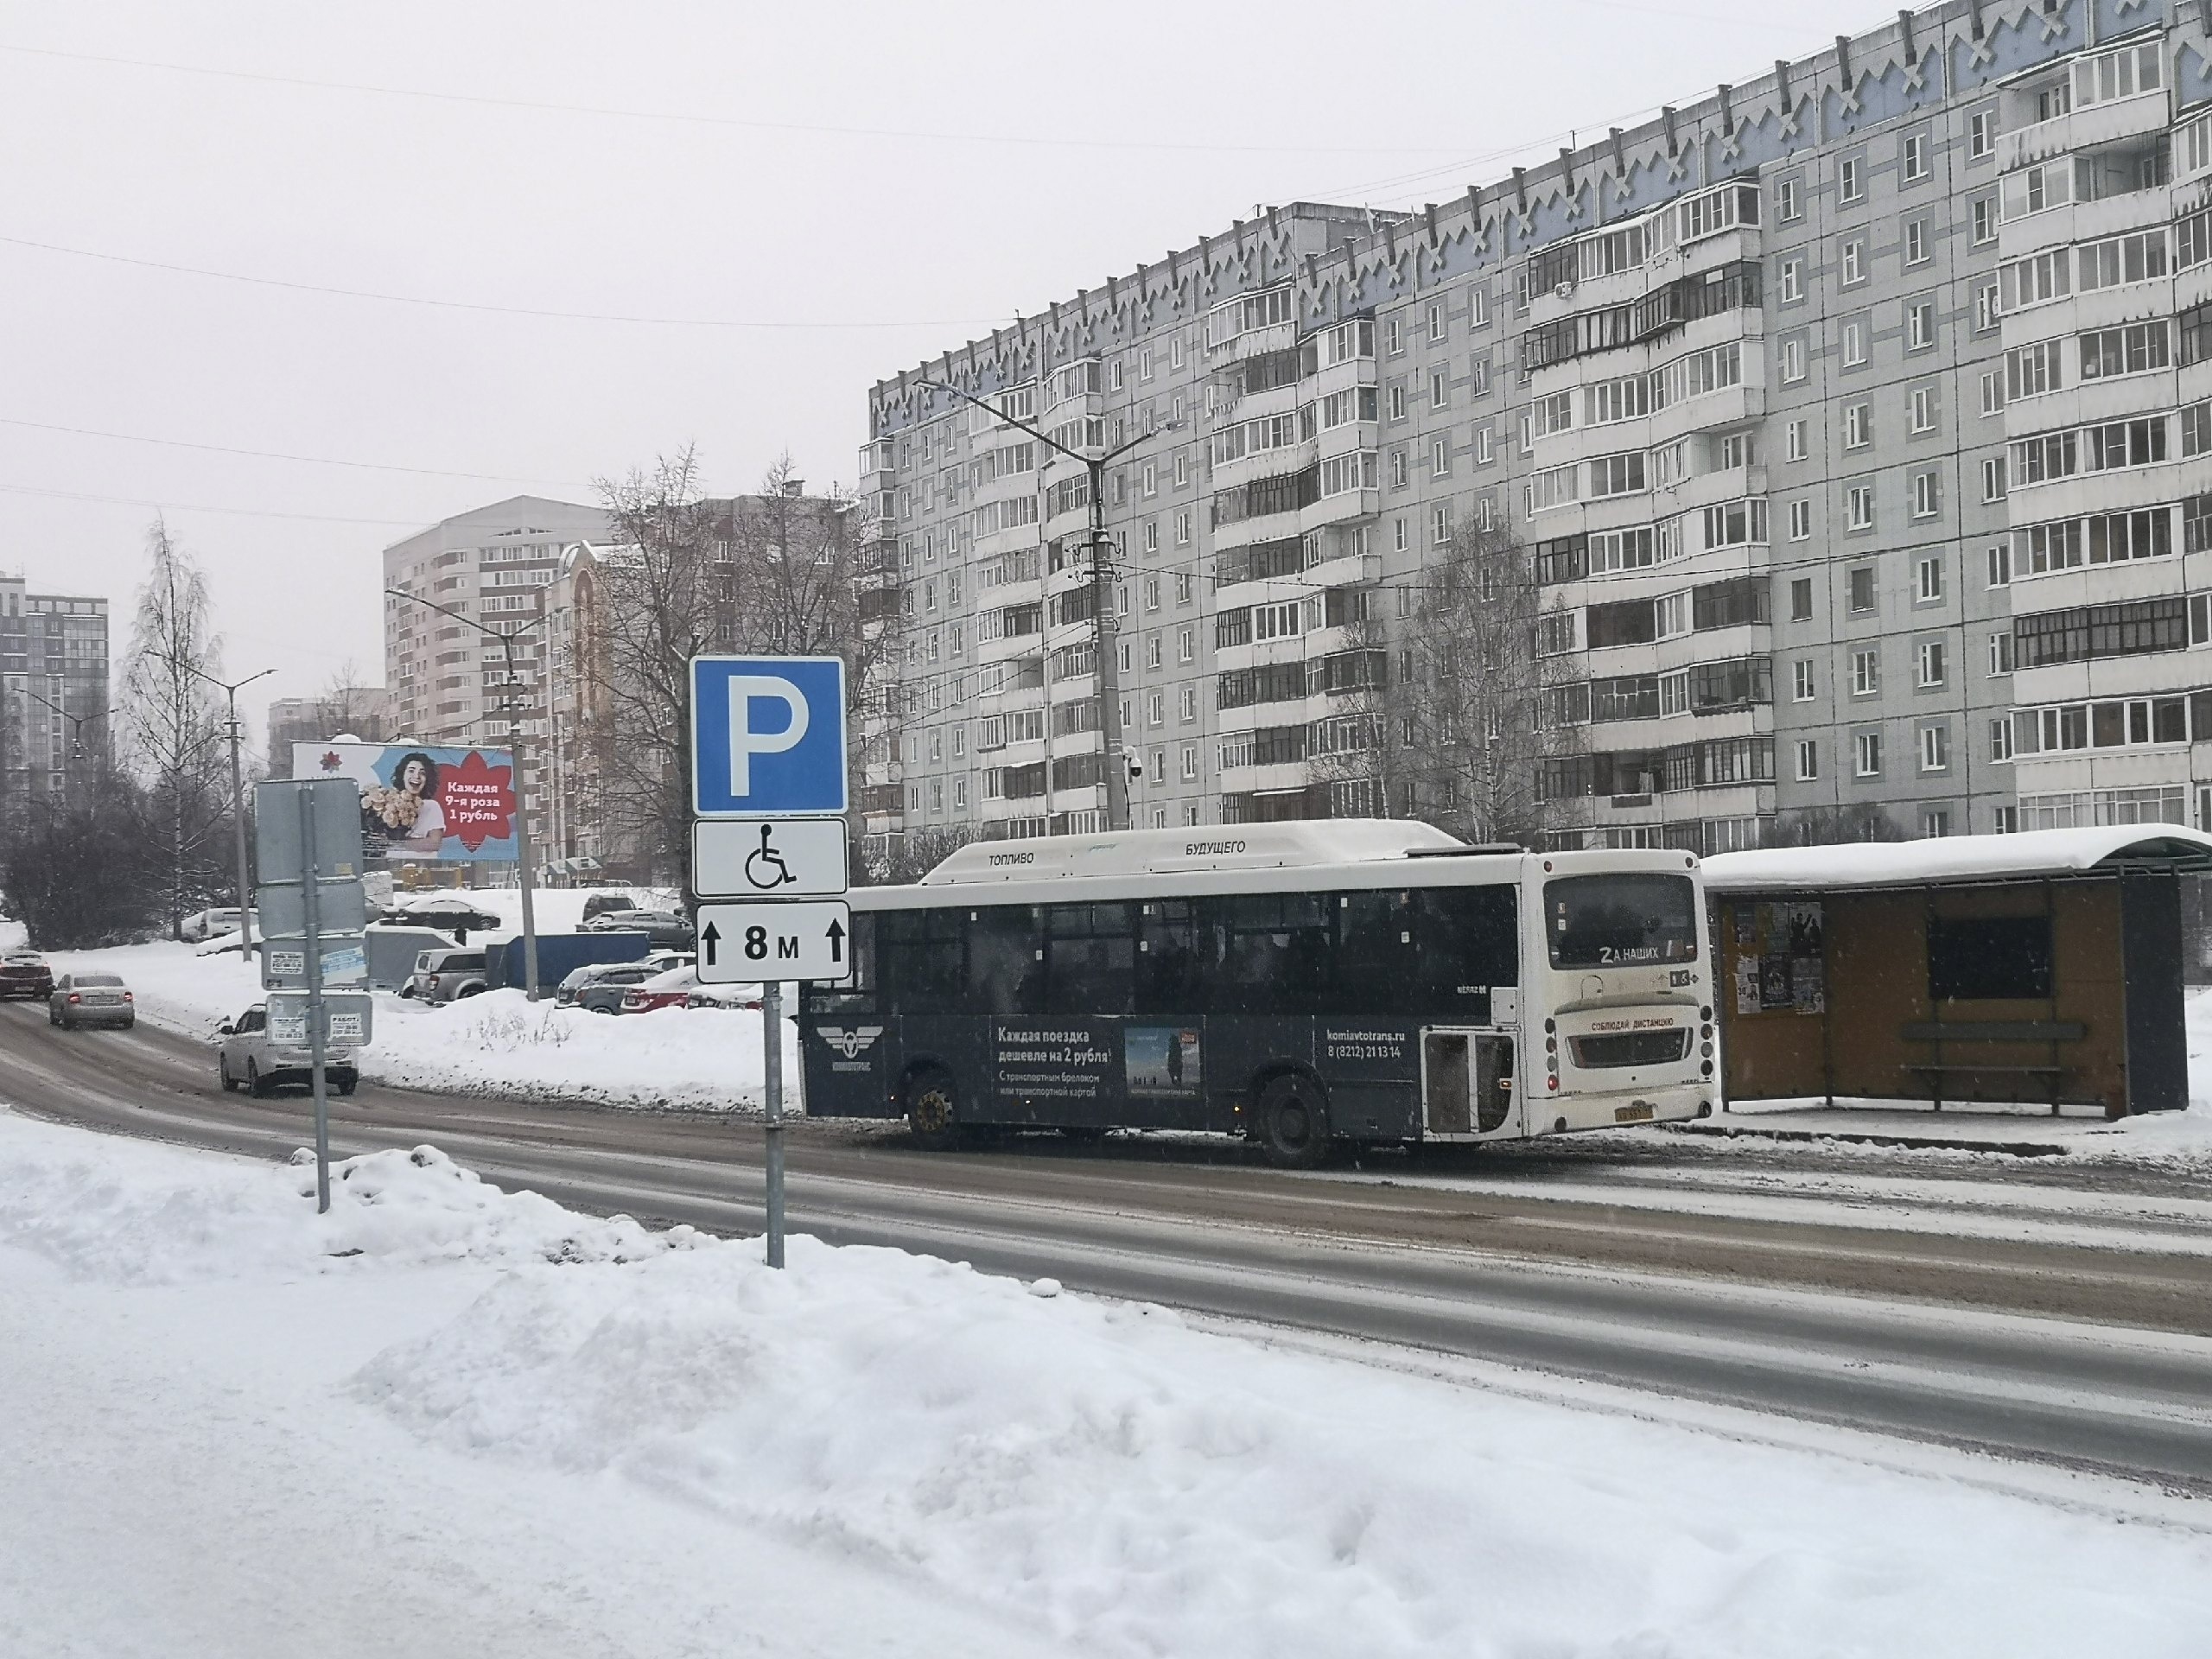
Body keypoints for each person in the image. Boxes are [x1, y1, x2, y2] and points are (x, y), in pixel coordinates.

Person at [381, 752, 447, 855]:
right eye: (411, 771)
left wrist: (398, 844)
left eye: (422, 773)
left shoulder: (431, 806)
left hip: (421, 866)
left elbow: (434, 844)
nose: (416, 776)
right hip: (390, 862)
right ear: (402, 774)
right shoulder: (389, 803)